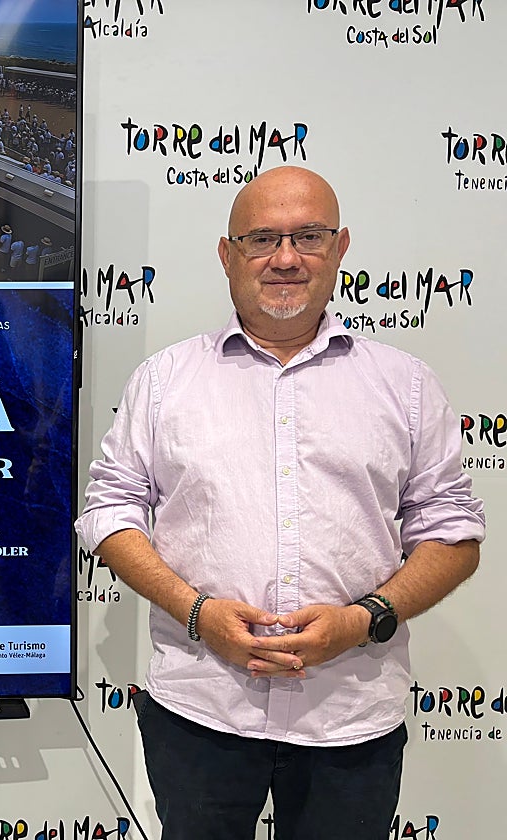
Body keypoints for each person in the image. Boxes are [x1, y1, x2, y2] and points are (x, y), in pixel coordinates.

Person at [75, 167, 484, 840]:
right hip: (201, 712)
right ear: (227, 253)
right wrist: (196, 612)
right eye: (262, 238)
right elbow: (108, 511)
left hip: (351, 716)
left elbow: (453, 533)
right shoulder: (165, 380)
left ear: (341, 247)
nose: (286, 258)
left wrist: (362, 621)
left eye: (309, 237)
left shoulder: (405, 385)